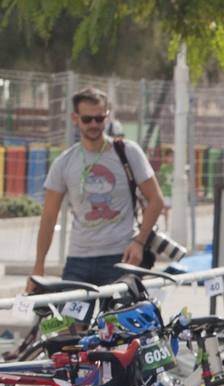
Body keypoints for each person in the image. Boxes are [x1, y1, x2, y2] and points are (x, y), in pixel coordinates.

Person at [31, 87, 165, 289]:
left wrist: (139, 242)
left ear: (107, 116)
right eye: (87, 119)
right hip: (78, 260)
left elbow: (156, 200)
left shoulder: (128, 152)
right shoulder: (64, 163)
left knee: (115, 321)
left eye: (99, 118)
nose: (94, 124)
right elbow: (49, 217)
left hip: (121, 258)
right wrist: (38, 267)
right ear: (75, 118)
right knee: (70, 320)